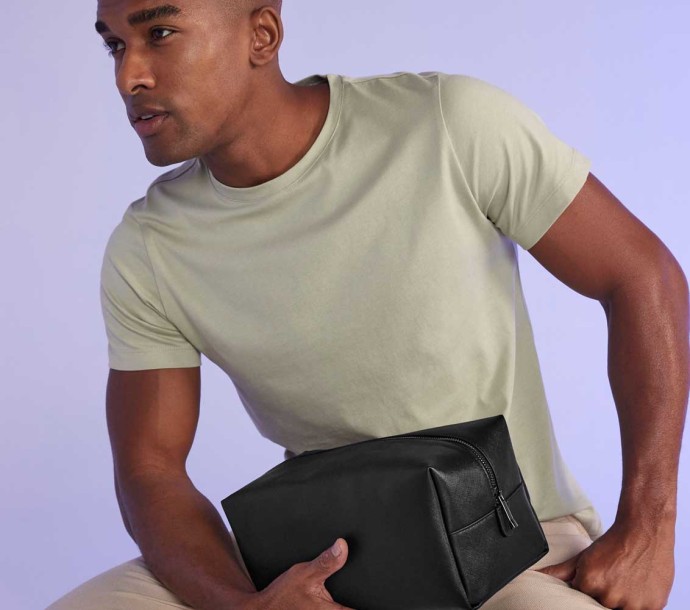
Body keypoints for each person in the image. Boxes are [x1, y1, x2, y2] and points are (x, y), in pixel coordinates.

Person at [47, 0, 686, 609]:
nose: (129, 76)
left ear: (261, 35)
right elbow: (151, 469)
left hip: (514, 545)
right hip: (317, 558)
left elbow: (640, 276)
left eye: (159, 33)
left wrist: (649, 526)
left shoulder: (446, 124)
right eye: (115, 45)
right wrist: (247, 605)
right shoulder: (151, 245)